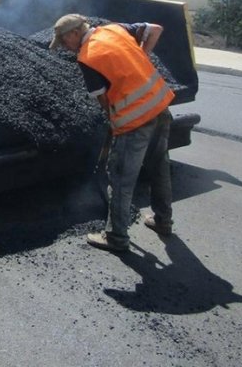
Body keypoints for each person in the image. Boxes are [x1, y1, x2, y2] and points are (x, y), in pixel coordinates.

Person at [50, 14, 174, 252]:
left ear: (74, 33)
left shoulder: (87, 57)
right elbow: (155, 28)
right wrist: (141, 57)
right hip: (160, 105)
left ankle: (116, 237)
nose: (65, 47)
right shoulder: (116, 29)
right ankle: (163, 221)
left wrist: (114, 120)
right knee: (160, 167)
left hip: (135, 121)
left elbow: (104, 101)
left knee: (120, 179)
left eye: (64, 41)